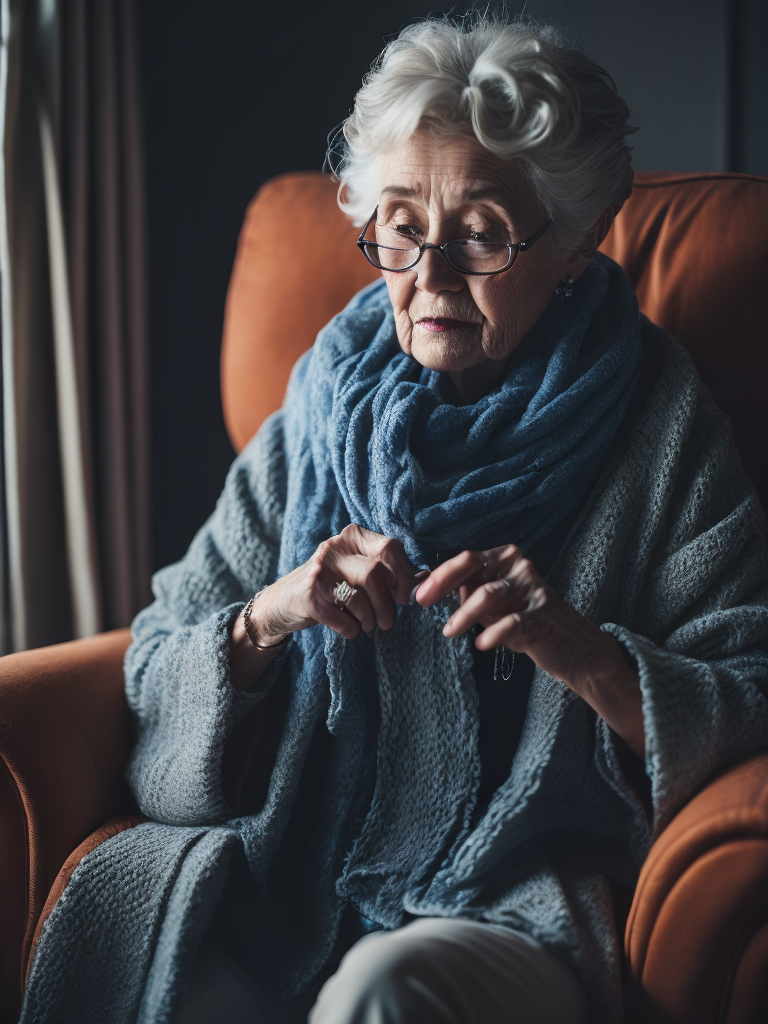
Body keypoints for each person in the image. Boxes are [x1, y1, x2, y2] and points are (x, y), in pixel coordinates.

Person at [20, 12, 768, 1024]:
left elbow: (748, 696)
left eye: (482, 234)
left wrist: (578, 649)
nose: (430, 276)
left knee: (383, 993)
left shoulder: (661, 422)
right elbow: (161, 655)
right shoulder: (323, 398)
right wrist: (272, 614)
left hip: (512, 892)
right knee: (156, 977)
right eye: (403, 227)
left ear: (573, 241)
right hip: (299, 879)